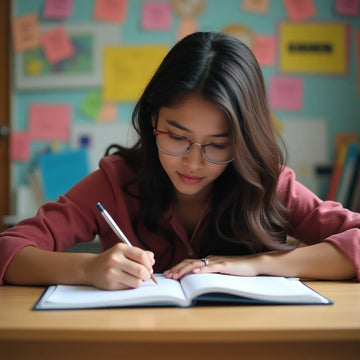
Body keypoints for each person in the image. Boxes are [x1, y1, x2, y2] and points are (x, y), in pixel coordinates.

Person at [0, 32, 359, 290]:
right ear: (153, 118)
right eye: (177, 137)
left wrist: (254, 265)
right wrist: (86, 268)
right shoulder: (116, 182)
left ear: (243, 141)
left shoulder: (266, 184)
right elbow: (10, 248)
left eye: (217, 145)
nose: (192, 163)